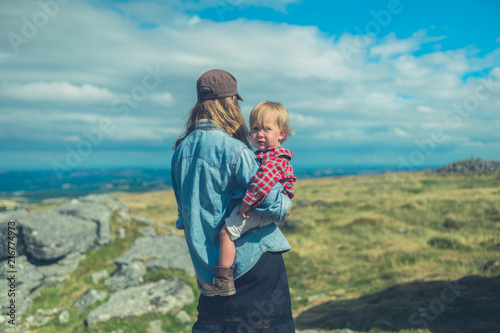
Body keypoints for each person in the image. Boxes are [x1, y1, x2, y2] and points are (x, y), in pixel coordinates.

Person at [171, 69, 296, 332]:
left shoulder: (180, 151)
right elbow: (274, 205)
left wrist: (202, 265)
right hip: (253, 262)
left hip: (210, 271)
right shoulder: (236, 149)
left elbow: (185, 217)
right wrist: (285, 202)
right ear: (229, 103)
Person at [201, 101, 296, 297]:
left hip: (258, 208)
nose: (260, 134)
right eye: (255, 129)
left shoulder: (273, 159)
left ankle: (223, 280)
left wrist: (246, 203)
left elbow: (261, 183)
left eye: (267, 129)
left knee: (226, 233)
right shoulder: (264, 155)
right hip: (263, 208)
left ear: (281, 134)